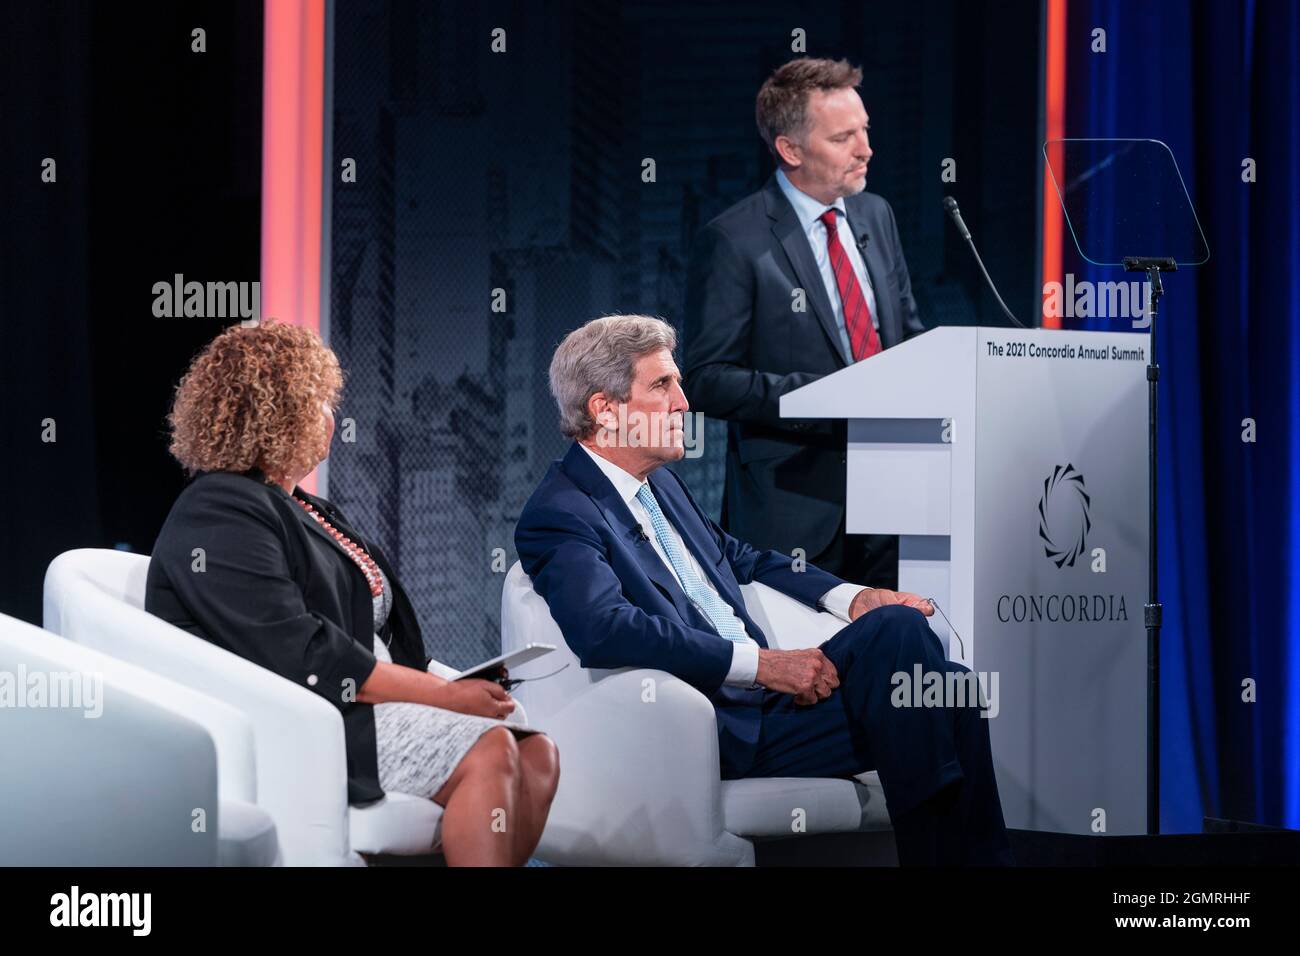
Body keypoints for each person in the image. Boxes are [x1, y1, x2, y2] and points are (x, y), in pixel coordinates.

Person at [516, 315, 1011, 866]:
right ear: (604, 409)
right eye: (662, 386)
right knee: (904, 639)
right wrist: (761, 665)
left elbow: (739, 557)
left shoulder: (660, 486)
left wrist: (851, 597)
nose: (684, 403)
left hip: (773, 705)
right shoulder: (561, 513)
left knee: (947, 689)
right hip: (712, 725)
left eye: (678, 383)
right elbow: (603, 629)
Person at [145, 321, 559, 866]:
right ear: (273, 413)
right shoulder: (219, 509)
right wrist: (441, 696)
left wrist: (459, 683)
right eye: (316, 401)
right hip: (314, 721)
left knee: (538, 753)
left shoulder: (307, 510)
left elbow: (380, 638)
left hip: (358, 705)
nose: (330, 418)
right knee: (490, 749)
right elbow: (304, 653)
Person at [683, 56, 926, 589]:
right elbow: (705, 378)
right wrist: (830, 397)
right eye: (844, 138)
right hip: (794, 512)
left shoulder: (876, 216)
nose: (866, 149)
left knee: (894, 661)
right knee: (806, 670)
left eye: (865, 130)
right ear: (790, 150)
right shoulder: (735, 240)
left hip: (896, 502)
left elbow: (906, 339)